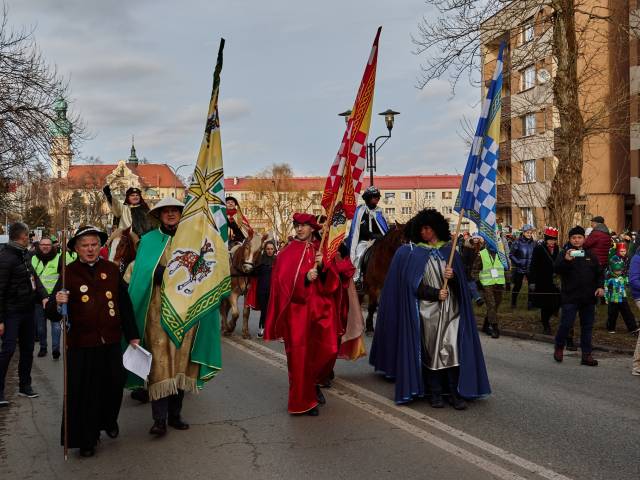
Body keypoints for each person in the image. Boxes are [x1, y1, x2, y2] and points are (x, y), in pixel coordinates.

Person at [369, 209, 490, 408]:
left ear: (436, 229)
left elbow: (463, 284)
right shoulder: (415, 254)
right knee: (432, 352)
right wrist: (434, 294)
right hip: (427, 311)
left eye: (428, 228)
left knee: (453, 351)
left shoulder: (449, 252)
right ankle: (434, 392)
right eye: (422, 229)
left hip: (452, 311)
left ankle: (453, 392)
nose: (425, 232)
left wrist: (453, 278)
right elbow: (412, 285)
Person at [46, 226, 140, 457]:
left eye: (94, 245)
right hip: (81, 344)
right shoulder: (69, 273)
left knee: (114, 384)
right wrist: (57, 302)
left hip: (110, 341)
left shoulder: (111, 270)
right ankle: (87, 438)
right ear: (76, 249)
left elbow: (125, 306)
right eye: (85, 245)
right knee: (83, 392)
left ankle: (108, 420)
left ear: (100, 246)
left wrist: (133, 335)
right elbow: (52, 313)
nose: (90, 249)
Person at [128, 197, 209, 436]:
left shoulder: (192, 240)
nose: (171, 214)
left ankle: (175, 414)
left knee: (181, 361)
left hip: (186, 310)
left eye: (175, 211)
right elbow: (141, 272)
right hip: (157, 310)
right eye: (167, 211)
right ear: (159, 215)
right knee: (160, 361)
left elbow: (203, 271)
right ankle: (159, 419)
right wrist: (158, 271)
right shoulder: (149, 240)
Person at [264, 213, 342, 416]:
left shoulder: (320, 250)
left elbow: (333, 283)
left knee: (329, 350)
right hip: (297, 313)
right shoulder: (286, 253)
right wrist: (304, 278)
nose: (299, 229)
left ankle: (314, 382)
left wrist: (323, 267)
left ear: (312, 228)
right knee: (299, 357)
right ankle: (303, 402)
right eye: (297, 225)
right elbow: (281, 283)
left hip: (321, 311)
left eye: (304, 226)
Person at [0, 223, 49, 407]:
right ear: (22, 237)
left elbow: (34, 279)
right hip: (12, 313)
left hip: (28, 310)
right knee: (8, 350)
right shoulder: (5, 258)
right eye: (28, 235)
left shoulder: (25, 255)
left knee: (28, 349)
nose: (30, 238)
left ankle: (25, 385)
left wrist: (44, 297)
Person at [553, 226, 604, 366]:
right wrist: (566, 260)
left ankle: (586, 355)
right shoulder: (565, 253)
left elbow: (599, 272)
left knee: (587, 327)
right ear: (570, 239)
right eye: (574, 238)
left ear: (584, 239)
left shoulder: (590, 254)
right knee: (566, 324)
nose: (576, 240)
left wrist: (600, 286)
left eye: (579, 237)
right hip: (570, 297)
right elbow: (557, 269)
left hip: (588, 298)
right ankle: (559, 347)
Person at [31, 236, 76, 359]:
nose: (45, 247)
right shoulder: (33, 258)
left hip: (55, 298)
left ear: (52, 247)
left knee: (56, 325)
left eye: (48, 245)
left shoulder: (59, 258)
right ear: (38, 246)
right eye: (42, 244)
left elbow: (63, 278)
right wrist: (42, 296)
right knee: (40, 327)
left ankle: (55, 349)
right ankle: (43, 347)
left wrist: (55, 296)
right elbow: (32, 278)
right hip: (38, 298)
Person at [347, 186, 389, 289]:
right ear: (368, 198)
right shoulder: (361, 210)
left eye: (378, 197)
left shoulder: (380, 211)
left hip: (379, 241)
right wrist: (372, 235)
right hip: (365, 241)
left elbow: (384, 227)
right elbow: (360, 229)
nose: (377, 199)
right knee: (359, 255)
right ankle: (357, 279)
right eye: (375, 197)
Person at [529, 227, 561, 335]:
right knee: (545, 305)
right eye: (550, 239)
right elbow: (533, 265)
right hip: (542, 281)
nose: (552, 241)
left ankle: (551, 315)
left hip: (554, 281)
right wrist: (532, 281)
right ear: (546, 239)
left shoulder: (557, 248)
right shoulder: (539, 248)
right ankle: (545, 325)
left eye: (554, 239)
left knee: (556, 303)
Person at [472, 243, 505, 339]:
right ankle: (495, 328)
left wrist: (507, 282)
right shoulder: (482, 254)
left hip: (499, 283)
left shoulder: (501, 253)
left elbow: (505, 268)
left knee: (495, 306)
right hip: (486, 284)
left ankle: (485, 325)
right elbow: (474, 270)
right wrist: (478, 282)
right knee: (491, 305)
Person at [604, 255, 638, 334]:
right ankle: (610, 328)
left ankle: (633, 328)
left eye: (620, 270)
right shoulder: (609, 279)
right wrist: (606, 298)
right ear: (612, 269)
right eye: (617, 270)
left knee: (627, 313)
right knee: (612, 314)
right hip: (612, 299)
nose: (619, 272)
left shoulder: (623, 277)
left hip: (623, 298)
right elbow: (606, 288)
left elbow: (628, 282)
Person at [509, 224, 535, 308]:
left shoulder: (534, 243)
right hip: (519, 268)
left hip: (530, 269)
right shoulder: (517, 242)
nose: (529, 234)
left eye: (530, 233)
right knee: (517, 286)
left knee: (531, 286)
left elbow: (536, 255)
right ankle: (513, 302)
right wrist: (518, 262)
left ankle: (530, 303)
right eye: (527, 232)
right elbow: (511, 255)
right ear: (523, 233)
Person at [254, 240, 276, 338]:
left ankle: (271, 329)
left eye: (271, 249)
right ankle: (261, 328)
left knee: (273, 310)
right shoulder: (260, 260)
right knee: (264, 310)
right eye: (268, 249)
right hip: (262, 290)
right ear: (265, 249)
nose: (270, 251)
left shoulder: (277, 260)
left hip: (274, 290)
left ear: (274, 249)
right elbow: (254, 274)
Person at [461, 233, 484, 306]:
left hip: (479, 270)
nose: (476, 240)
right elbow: (464, 259)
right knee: (471, 283)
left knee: (471, 287)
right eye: (474, 238)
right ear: (472, 239)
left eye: (477, 238)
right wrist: (466, 268)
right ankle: (478, 298)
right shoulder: (467, 248)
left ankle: (468, 303)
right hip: (469, 269)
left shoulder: (482, 248)